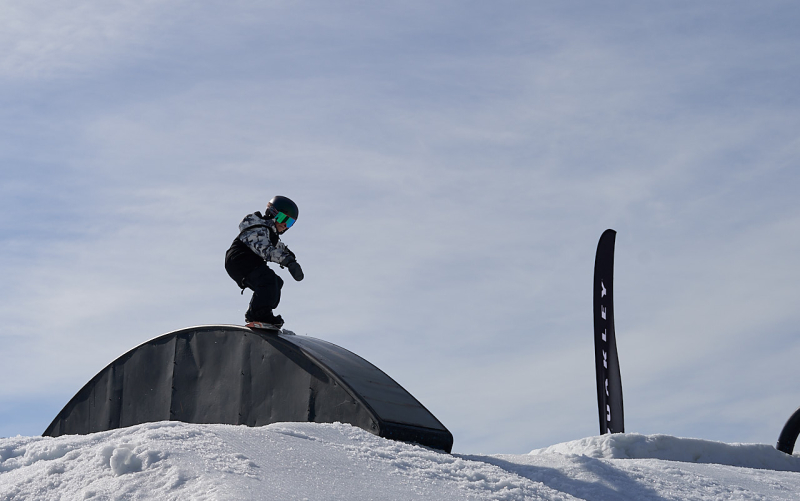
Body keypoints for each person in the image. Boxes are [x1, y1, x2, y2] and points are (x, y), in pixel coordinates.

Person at [225, 196, 304, 327]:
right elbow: (265, 249)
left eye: (290, 223)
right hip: (240, 259)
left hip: (249, 262)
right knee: (268, 280)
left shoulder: (269, 232)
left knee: (276, 282)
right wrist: (287, 261)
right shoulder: (258, 227)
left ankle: (261, 312)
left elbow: (277, 246)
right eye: (283, 219)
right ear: (272, 213)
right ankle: (257, 314)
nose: (285, 225)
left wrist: (290, 256)